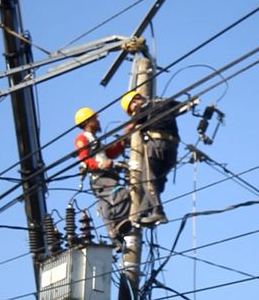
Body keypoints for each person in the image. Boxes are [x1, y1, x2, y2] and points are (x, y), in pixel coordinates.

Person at [74, 107, 132, 246]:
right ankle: (119, 223)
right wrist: (100, 165)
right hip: (99, 177)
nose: (98, 121)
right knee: (121, 193)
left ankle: (114, 232)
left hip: (106, 176)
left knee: (105, 203)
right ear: (88, 121)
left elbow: (109, 153)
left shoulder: (94, 139)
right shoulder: (82, 138)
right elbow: (84, 158)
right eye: (95, 119)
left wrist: (123, 141)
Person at [120, 91, 180, 226]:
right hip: (172, 149)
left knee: (147, 180)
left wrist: (122, 140)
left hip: (156, 146)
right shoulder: (163, 103)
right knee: (157, 183)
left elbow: (130, 127)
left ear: (134, 102)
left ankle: (158, 212)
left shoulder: (144, 109)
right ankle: (141, 214)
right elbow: (182, 107)